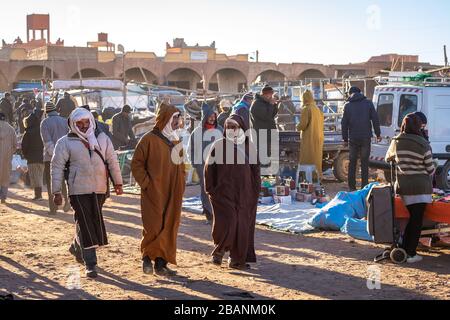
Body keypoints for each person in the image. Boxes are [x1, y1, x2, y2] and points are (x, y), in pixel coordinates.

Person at [52, 108, 123, 278]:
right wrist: (56, 191)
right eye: (79, 123)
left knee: (89, 220)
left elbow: (112, 161)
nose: (83, 126)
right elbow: (56, 167)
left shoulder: (102, 138)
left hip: (99, 188)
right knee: (85, 222)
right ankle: (91, 264)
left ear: (91, 121)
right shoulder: (64, 142)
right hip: (78, 190)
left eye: (86, 122)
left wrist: (118, 182)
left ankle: (76, 247)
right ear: (73, 124)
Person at [131, 103, 185, 276]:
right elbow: (136, 164)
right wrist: (147, 184)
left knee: (169, 224)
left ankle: (161, 264)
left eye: (178, 117)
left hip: (173, 191)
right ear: (165, 119)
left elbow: (181, 165)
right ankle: (147, 258)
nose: (177, 121)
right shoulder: (148, 139)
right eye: (174, 117)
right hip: (154, 191)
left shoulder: (176, 139)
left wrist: (181, 183)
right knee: (153, 225)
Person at [205, 114, 261, 270]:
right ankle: (219, 251)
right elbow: (209, 170)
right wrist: (211, 190)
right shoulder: (218, 145)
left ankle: (237, 260)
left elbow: (256, 171)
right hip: (224, 193)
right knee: (229, 221)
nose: (231, 130)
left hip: (245, 194)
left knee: (242, 226)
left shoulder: (249, 146)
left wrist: (255, 192)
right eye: (228, 127)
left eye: (234, 127)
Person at [385, 113, 435, 263]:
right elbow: (430, 169)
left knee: (412, 219)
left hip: (404, 187)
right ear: (418, 126)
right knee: (416, 221)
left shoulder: (396, 141)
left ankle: (406, 249)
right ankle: (411, 253)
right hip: (421, 188)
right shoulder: (423, 143)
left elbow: (388, 158)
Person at [188, 102, 223, 223]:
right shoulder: (196, 133)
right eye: (210, 116)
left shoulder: (220, 130)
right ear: (205, 117)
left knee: (219, 188)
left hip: (218, 166)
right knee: (205, 189)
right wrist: (195, 164)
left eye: (214, 116)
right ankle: (209, 213)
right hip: (202, 166)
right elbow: (191, 150)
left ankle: (219, 212)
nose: (213, 118)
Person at [341, 86, 381, 191]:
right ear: (360, 92)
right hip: (365, 137)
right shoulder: (368, 103)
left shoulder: (347, 105)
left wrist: (345, 139)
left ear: (350, 93)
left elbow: (344, 124)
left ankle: (351, 187)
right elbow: (375, 119)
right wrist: (378, 134)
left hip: (353, 138)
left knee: (352, 162)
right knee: (364, 163)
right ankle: (364, 187)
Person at [40, 102, 70, 215]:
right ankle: (67, 201)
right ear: (56, 110)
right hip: (65, 157)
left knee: (51, 183)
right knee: (64, 181)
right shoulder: (64, 121)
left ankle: (53, 208)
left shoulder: (45, 123)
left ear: (46, 112)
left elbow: (47, 142)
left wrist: (55, 156)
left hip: (50, 158)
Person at [297, 90, 324, 176]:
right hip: (318, 138)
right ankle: (318, 176)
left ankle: (308, 177)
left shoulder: (306, 109)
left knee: (307, 159)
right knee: (317, 159)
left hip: (309, 138)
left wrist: (297, 127)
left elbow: (303, 125)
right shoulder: (317, 109)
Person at [22, 105, 45, 200]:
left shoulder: (28, 132)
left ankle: (38, 195)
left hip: (32, 157)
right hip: (42, 156)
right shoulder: (42, 130)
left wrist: (26, 155)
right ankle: (38, 194)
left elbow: (24, 146)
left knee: (35, 177)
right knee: (39, 175)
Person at [250, 86, 279, 160]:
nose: (271, 97)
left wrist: (274, 105)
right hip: (261, 135)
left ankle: (266, 170)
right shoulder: (257, 104)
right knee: (262, 156)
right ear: (265, 95)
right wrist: (271, 105)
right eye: (270, 95)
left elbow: (272, 115)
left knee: (268, 156)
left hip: (267, 133)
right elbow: (266, 116)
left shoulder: (265, 103)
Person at [0, 113, 17, 204]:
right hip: (7, 157)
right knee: (5, 177)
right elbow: (15, 145)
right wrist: (10, 152)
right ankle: (3, 197)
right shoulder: (11, 129)